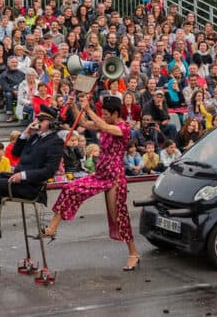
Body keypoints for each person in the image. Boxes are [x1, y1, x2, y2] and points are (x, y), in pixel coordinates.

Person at [36, 96, 141, 271]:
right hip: (100, 174)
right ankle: (52, 228)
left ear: (115, 114)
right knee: (70, 188)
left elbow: (105, 126)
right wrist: (75, 107)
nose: (104, 116)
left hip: (114, 177)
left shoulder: (123, 128)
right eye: (103, 114)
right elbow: (84, 123)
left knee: (118, 216)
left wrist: (89, 109)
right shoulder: (105, 124)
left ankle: (133, 253)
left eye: (106, 114)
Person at [0, 105, 64, 241]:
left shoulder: (56, 142)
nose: (37, 122)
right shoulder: (35, 136)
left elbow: (49, 171)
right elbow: (15, 152)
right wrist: (25, 134)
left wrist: (23, 176)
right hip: (18, 177)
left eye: (41, 119)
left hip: (30, 185)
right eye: (37, 118)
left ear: (51, 123)